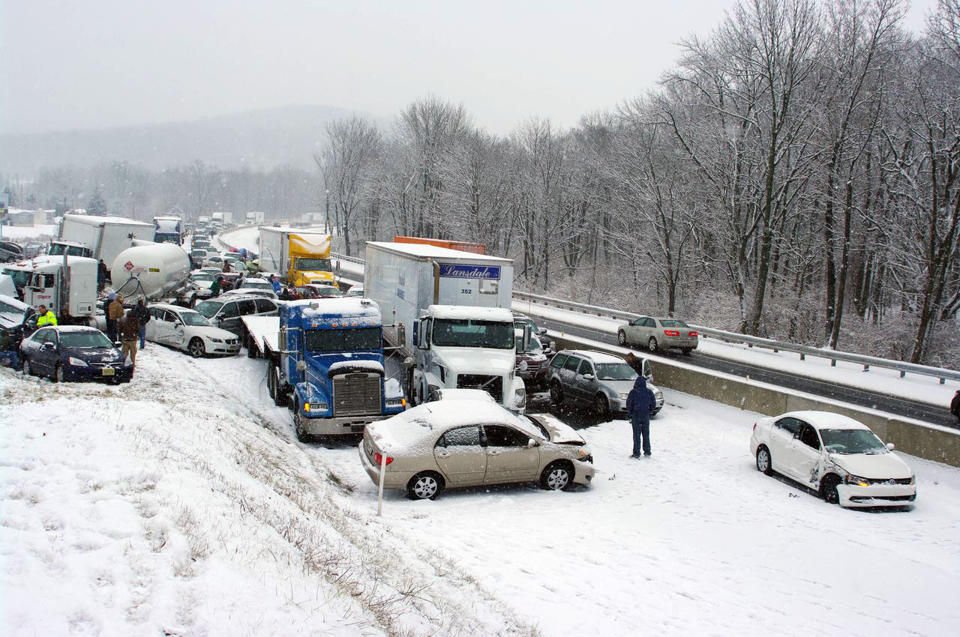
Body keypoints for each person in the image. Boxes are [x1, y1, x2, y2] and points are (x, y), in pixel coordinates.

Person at [626, 374, 656, 458]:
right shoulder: (649, 392)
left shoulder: (633, 392)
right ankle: (647, 451)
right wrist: (649, 411)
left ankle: (636, 453)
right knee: (646, 434)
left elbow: (629, 404)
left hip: (636, 415)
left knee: (636, 435)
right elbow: (653, 403)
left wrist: (630, 414)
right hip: (645, 415)